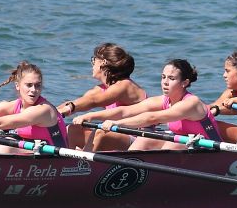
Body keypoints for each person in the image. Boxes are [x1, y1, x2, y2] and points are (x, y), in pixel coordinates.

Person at [72, 58, 218, 152]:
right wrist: (91, 115)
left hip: (210, 150)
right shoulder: (164, 99)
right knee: (145, 139)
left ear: (185, 83)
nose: (165, 82)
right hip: (186, 144)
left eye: (171, 78)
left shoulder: (191, 103)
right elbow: (126, 111)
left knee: (171, 145)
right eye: (163, 77)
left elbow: (152, 117)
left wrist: (117, 123)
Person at [59, 43, 147, 150]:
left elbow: (95, 101)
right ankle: (68, 162)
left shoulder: (125, 85)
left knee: (101, 133)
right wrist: (54, 112)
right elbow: (82, 101)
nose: (92, 65)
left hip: (136, 138)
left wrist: (69, 108)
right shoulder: (103, 88)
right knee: (73, 129)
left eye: (93, 60)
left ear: (103, 63)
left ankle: (83, 163)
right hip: (116, 134)